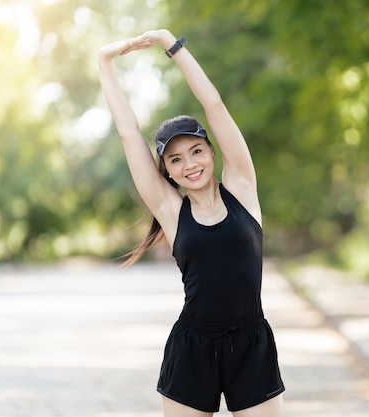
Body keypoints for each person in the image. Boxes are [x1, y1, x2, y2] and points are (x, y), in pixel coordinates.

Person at [97, 29, 284, 417]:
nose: (190, 164)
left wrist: (171, 44)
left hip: (251, 344)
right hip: (192, 348)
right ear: (166, 171)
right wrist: (104, 63)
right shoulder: (170, 210)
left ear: (211, 152)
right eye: (176, 159)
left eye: (196, 151)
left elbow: (213, 105)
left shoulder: (242, 189)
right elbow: (129, 134)